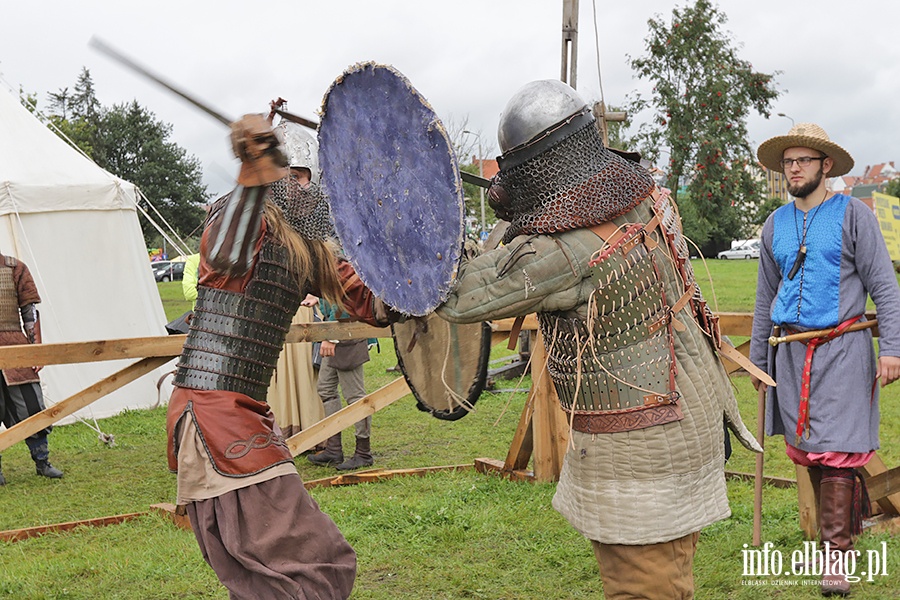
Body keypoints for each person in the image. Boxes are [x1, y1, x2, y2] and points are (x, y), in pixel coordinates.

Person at [435, 80, 760, 599]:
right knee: (669, 573)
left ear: (535, 169)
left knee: (645, 586)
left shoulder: (566, 250)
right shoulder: (640, 191)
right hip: (685, 409)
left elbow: (455, 295)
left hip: (645, 442)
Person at [165, 113, 392, 599]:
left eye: (305, 178)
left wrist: (423, 270)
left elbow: (374, 304)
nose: (300, 187)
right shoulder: (233, 222)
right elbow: (227, 252)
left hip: (243, 412)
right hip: (210, 414)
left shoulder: (310, 251)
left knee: (281, 573)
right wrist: (253, 174)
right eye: (291, 177)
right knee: (304, 567)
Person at [751, 123, 900, 596]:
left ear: (825, 166)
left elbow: (885, 288)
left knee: (838, 451)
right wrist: (759, 359)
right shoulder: (775, 223)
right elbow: (764, 297)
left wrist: (893, 350)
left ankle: (835, 558)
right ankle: (841, 537)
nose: (793, 169)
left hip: (843, 348)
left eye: (803, 161)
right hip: (790, 353)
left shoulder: (855, 215)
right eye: (788, 162)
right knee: (810, 451)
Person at [0, 252, 64, 485]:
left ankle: (42, 461)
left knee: (32, 406)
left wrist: (35, 348)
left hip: (15, 346)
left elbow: (30, 311)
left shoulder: (14, 267)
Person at [304, 294, 374, 470]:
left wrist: (330, 338)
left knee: (355, 397)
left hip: (346, 334)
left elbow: (346, 300)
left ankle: (363, 453)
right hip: (335, 332)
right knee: (326, 389)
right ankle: (334, 449)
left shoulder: (345, 265)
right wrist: (319, 299)